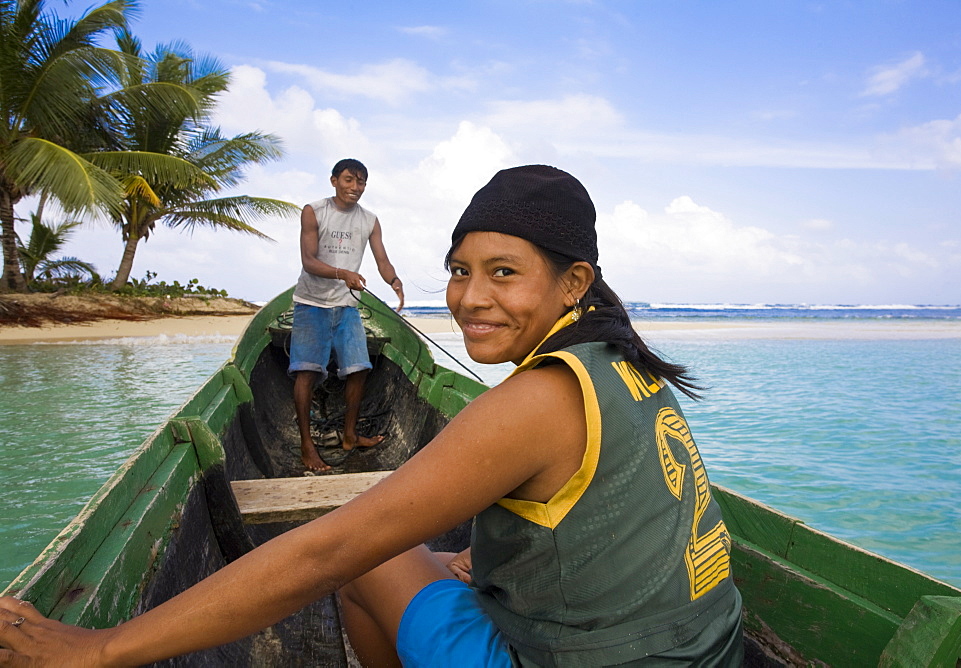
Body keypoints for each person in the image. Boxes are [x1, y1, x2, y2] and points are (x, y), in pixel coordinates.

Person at [0, 165, 743, 666]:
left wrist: (97, 650)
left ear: (573, 281)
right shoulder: (628, 365)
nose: (471, 298)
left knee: (367, 558)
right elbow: (609, 519)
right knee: (410, 552)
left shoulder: (535, 400)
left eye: (504, 273)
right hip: (706, 647)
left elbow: (326, 553)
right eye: (460, 271)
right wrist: (490, 559)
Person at [290, 158, 404, 473]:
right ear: (334, 181)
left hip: (347, 306)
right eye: (349, 180)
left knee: (358, 368)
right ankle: (306, 446)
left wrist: (393, 280)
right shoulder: (314, 211)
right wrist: (343, 273)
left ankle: (350, 436)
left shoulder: (369, 220)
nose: (355, 188)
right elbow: (309, 260)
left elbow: (382, 259)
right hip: (312, 303)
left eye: (361, 182)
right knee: (307, 373)